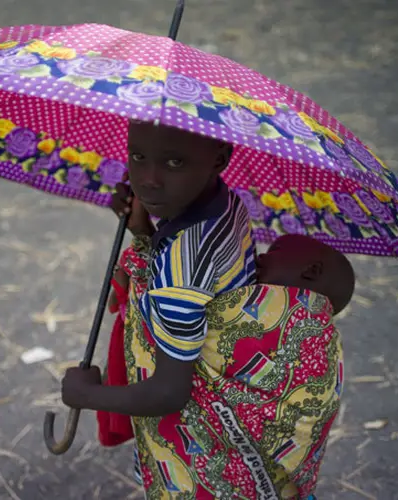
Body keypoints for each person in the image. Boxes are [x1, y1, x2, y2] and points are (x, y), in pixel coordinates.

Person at [61, 120, 354, 499]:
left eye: (174, 163)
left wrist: (87, 395)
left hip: (204, 450)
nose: (149, 179)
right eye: (138, 156)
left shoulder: (182, 267)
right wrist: (144, 230)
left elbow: (169, 392)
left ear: (220, 158)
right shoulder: (227, 205)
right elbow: (200, 290)